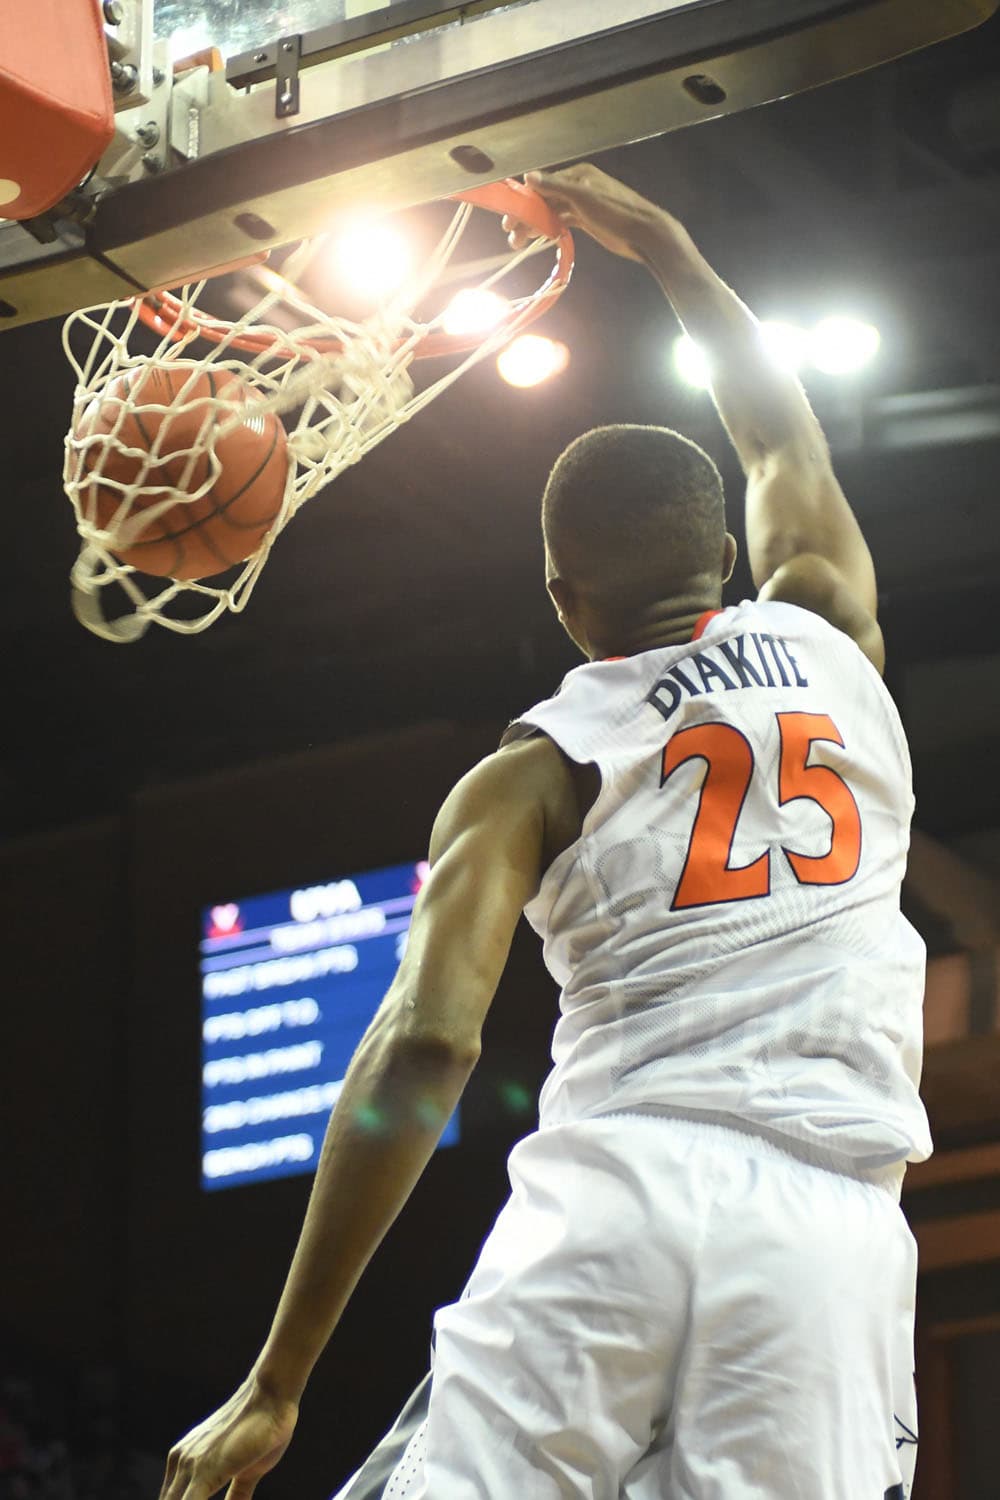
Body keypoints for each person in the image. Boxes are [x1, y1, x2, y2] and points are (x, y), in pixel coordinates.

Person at [159, 166, 932, 1500]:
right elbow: (780, 447)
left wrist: (277, 1380)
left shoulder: (529, 775)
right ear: (725, 556)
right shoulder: (831, 636)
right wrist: (680, 257)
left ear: (566, 602)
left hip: (622, 1194)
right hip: (833, 1230)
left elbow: (427, 1045)